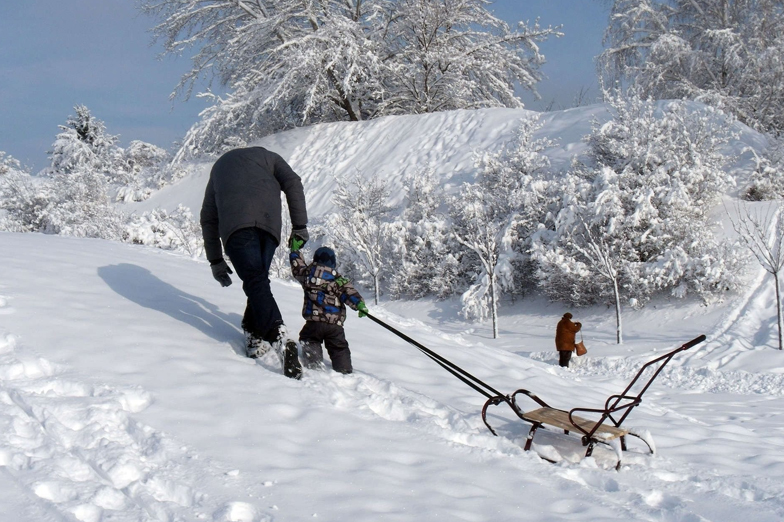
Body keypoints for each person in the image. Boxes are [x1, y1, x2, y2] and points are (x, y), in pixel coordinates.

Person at [200, 146, 309, 378]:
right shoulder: (270, 157)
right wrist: (300, 226)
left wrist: (216, 260)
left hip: (236, 229)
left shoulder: (219, 166)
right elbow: (293, 183)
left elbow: (208, 218)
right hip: (268, 227)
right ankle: (253, 334)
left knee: (255, 280)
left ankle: (278, 335)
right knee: (258, 280)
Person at [289, 239, 368, 374]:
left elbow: (297, 267)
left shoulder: (308, 275)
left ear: (315, 260)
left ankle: (313, 364)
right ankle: (344, 369)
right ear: (333, 263)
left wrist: (294, 252)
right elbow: (349, 293)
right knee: (339, 347)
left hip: (314, 322)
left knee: (310, 339)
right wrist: (359, 304)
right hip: (334, 325)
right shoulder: (339, 280)